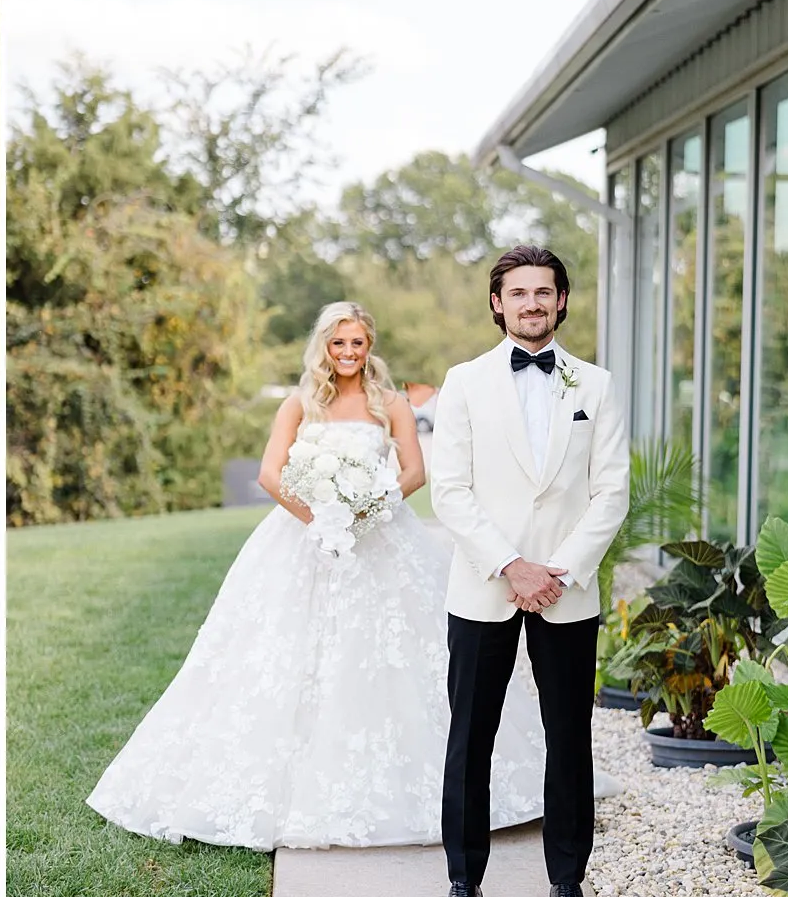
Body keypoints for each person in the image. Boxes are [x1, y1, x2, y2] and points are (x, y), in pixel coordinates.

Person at [86, 300, 555, 852]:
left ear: (369, 345)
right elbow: (269, 472)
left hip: (381, 537)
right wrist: (322, 517)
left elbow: (415, 472)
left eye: (357, 342)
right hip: (302, 539)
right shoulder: (300, 402)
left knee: (402, 654)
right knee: (276, 655)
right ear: (324, 346)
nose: (349, 353)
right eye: (338, 343)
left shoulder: (391, 403)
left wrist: (371, 506)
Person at [429, 246, 629, 897]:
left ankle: (567, 885)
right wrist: (512, 565)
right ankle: (463, 884)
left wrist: (559, 569)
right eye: (518, 292)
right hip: (485, 585)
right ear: (497, 303)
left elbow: (610, 492)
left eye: (543, 291)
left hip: (566, 591)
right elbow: (447, 489)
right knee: (469, 738)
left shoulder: (595, 385)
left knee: (568, 737)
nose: (531, 303)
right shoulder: (461, 383)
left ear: (562, 300)